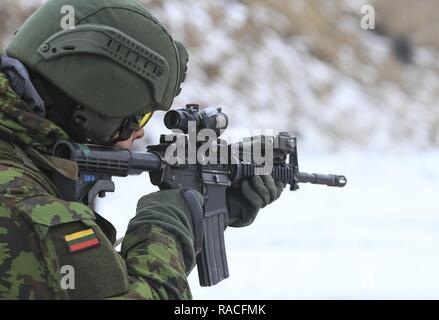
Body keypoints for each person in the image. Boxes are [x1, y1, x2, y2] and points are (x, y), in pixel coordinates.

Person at [0, 0, 284, 299]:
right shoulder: (28, 211)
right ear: (91, 103)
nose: (139, 133)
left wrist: (206, 211)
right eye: (138, 116)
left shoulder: (23, 160)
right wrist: (165, 228)